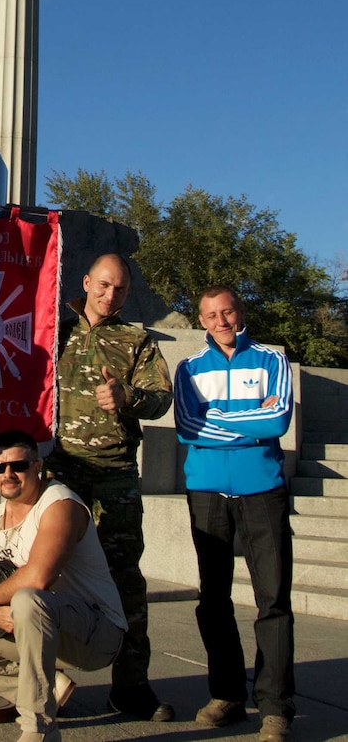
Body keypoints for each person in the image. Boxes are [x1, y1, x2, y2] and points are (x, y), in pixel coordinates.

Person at [42, 253, 174, 722]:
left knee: (125, 580)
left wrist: (127, 397)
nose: (109, 295)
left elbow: (160, 400)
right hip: (61, 474)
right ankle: (42, 682)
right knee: (45, 575)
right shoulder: (55, 331)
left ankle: (132, 686)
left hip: (115, 475)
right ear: (85, 281)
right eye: (102, 285)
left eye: (118, 288)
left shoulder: (136, 341)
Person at [0, 430, 127, 742]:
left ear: (37, 466)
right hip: (32, 630)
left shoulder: (59, 504)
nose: (7, 474)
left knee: (27, 600)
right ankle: (47, 689)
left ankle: (39, 728)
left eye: (17, 466)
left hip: (95, 633)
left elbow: (38, 577)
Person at [175, 286, 294, 742]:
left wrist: (216, 419)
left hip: (262, 489)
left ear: (240, 312)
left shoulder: (270, 360)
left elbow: (278, 419)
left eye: (227, 312)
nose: (220, 321)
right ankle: (225, 694)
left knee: (273, 600)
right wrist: (247, 419)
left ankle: (275, 707)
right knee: (214, 599)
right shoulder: (189, 367)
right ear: (201, 320)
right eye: (211, 315)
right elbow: (187, 425)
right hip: (206, 491)